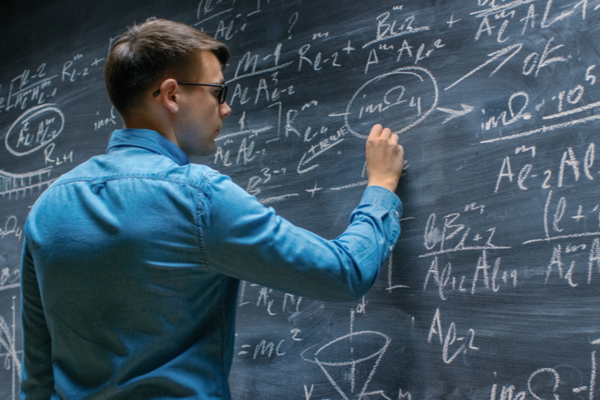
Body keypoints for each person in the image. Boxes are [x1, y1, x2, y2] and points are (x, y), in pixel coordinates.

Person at [20, 18, 404, 400]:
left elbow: (36, 377)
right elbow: (344, 273)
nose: (226, 108)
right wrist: (381, 187)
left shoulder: (47, 208)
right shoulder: (198, 199)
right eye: (218, 92)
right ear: (172, 95)